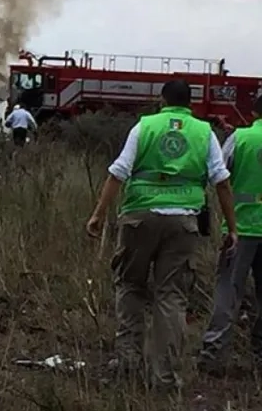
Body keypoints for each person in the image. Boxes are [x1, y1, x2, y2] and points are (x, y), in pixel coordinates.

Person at [85, 79, 237, 393]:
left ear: (161, 100)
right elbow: (221, 181)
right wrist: (231, 227)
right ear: (190, 103)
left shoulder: (144, 127)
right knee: (171, 297)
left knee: (130, 286)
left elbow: (119, 172)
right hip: (183, 222)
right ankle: (164, 378)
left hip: (139, 218)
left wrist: (99, 214)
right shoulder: (203, 132)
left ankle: (128, 366)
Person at [198, 95, 262, 376]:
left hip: (242, 227)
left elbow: (220, 176)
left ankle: (213, 355)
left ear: (255, 111)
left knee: (228, 290)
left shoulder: (242, 138)